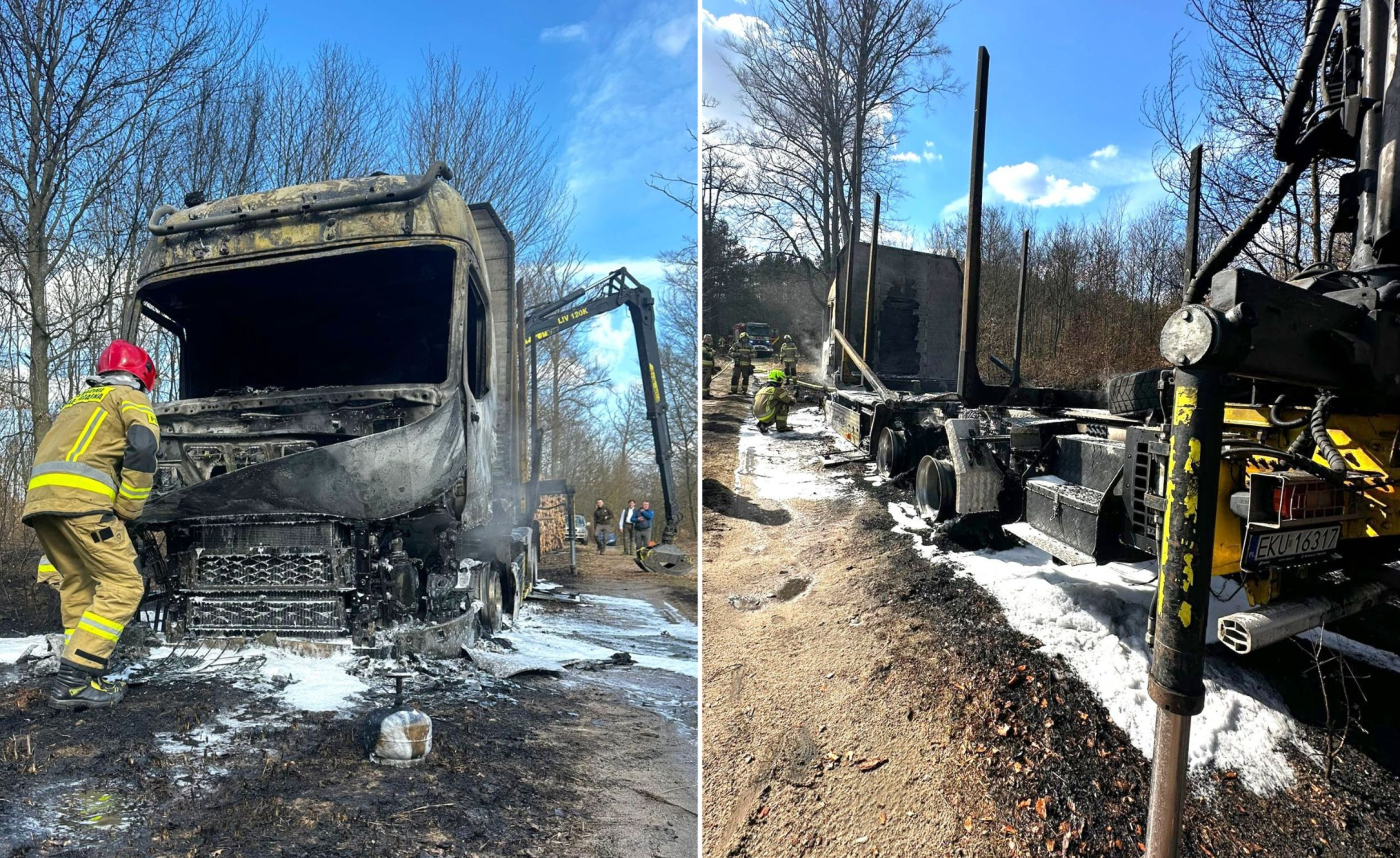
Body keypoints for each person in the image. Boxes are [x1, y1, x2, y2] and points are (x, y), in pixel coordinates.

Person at [24, 340, 160, 710]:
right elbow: (144, 446)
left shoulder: (76, 404)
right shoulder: (129, 397)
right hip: (84, 505)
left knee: (78, 583)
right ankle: (72, 682)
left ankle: (84, 671)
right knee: (124, 585)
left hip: (42, 505)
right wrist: (129, 507)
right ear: (142, 375)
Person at [753, 369, 797, 434]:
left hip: (757, 415)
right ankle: (782, 427)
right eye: (782, 380)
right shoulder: (777, 390)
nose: (782, 382)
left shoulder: (763, 389)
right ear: (778, 379)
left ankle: (763, 424)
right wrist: (794, 395)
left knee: (773, 404)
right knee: (783, 404)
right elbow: (791, 402)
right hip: (766, 414)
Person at [701, 334, 715, 400]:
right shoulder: (703, 346)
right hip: (705, 366)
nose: (709, 340)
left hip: (709, 366)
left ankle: (707, 393)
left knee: (708, 380)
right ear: (704, 339)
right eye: (707, 339)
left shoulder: (708, 347)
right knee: (704, 380)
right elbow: (707, 355)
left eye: (710, 339)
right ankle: (703, 395)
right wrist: (712, 352)